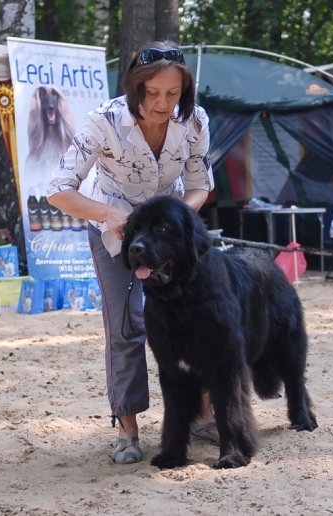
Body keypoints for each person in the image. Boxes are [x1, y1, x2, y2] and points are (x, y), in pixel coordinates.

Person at [47, 42, 216, 464]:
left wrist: (177, 216)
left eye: (172, 94)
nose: (162, 103)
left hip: (176, 237)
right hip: (115, 236)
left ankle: (203, 413)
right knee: (127, 328)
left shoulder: (195, 121)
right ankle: (127, 427)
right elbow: (58, 191)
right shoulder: (101, 122)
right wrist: (110, 212)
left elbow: (201, 184)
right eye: (152, 93)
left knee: (203, 320)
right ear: (135, 87)